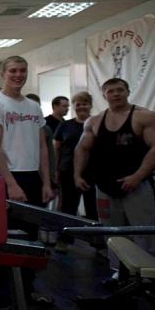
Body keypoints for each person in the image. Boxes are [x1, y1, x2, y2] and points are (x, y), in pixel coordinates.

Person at [0, 56, 54, 310]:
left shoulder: (33, 107)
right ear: (3, 74)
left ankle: (27, 290)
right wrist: (10, 184)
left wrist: (46, 181)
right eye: (13, 71)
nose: (18, 75)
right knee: (6, 239)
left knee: (31, 239)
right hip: (7, 178)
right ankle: (1, 299)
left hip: (32, 178)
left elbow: (42, 147)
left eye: (22, 71)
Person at [74, 78, 155, 270]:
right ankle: (118, 272)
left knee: (144, 232)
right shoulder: (94, 121)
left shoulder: (146, 117)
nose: (116, 94)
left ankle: (151, 274)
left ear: (128, 92)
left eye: (120, 90)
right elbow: (82, 149)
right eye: (111, 91)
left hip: (136, 185)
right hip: (105, 187)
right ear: (104, 95)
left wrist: (138, 176)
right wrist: (77, 175)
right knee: (112, 233)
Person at [53, 91, 99, 252]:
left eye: (85, 103)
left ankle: (98, 243)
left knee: (93, 208)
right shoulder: (65, 125)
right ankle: (65, 240)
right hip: (67, 171)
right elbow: (56, 149)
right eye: (78, 104)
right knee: (68, 208)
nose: (81, 107)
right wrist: (55, 170)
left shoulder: (97, 124)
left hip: (93, 172)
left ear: (90, 105)